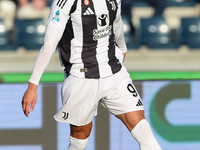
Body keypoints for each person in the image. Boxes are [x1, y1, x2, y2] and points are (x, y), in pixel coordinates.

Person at [22, 0, 162, 149]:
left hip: (113, 73)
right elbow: (49, 45)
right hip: (81, 77)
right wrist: (33, 86)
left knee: (142, 128)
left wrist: (122, 47)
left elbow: (116, 22)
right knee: (79, 140)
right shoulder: (65, 2)